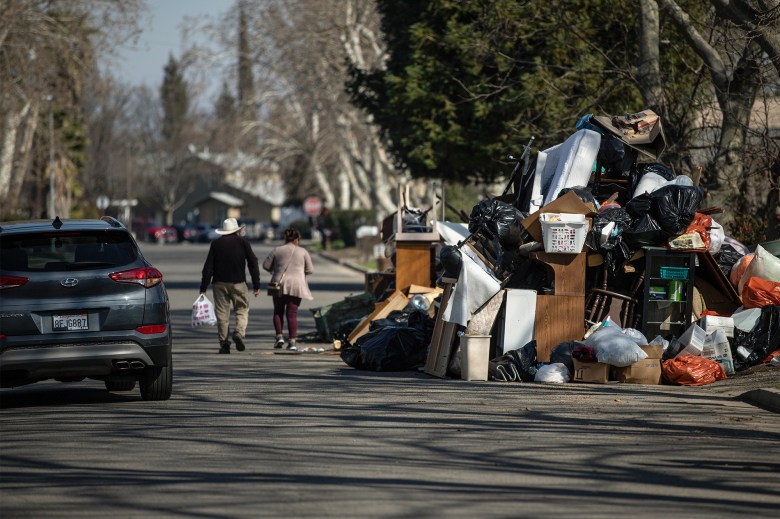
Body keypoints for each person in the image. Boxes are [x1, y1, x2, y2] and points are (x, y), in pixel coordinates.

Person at [199, 217, 261, 354]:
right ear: (236, 230)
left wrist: (203, 287)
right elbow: (253, 263)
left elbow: (208, 267)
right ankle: (238, 332)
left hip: (219, 284)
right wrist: (256, 284)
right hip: (239, 283)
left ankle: (224, 343)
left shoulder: (216, 244)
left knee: (222, 314)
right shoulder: (243, 243)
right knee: (242, 310)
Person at [263, 227, 314, 350]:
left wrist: (275, 270)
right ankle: (292, 342)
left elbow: (265, 265)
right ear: (297, 239)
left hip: (278, 284)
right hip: (296, 285)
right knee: (292, 314)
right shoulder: (303, 252)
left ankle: (279, 337)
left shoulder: (277, 250)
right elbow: (310, 270)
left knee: (278, 311)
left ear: (286, 237)